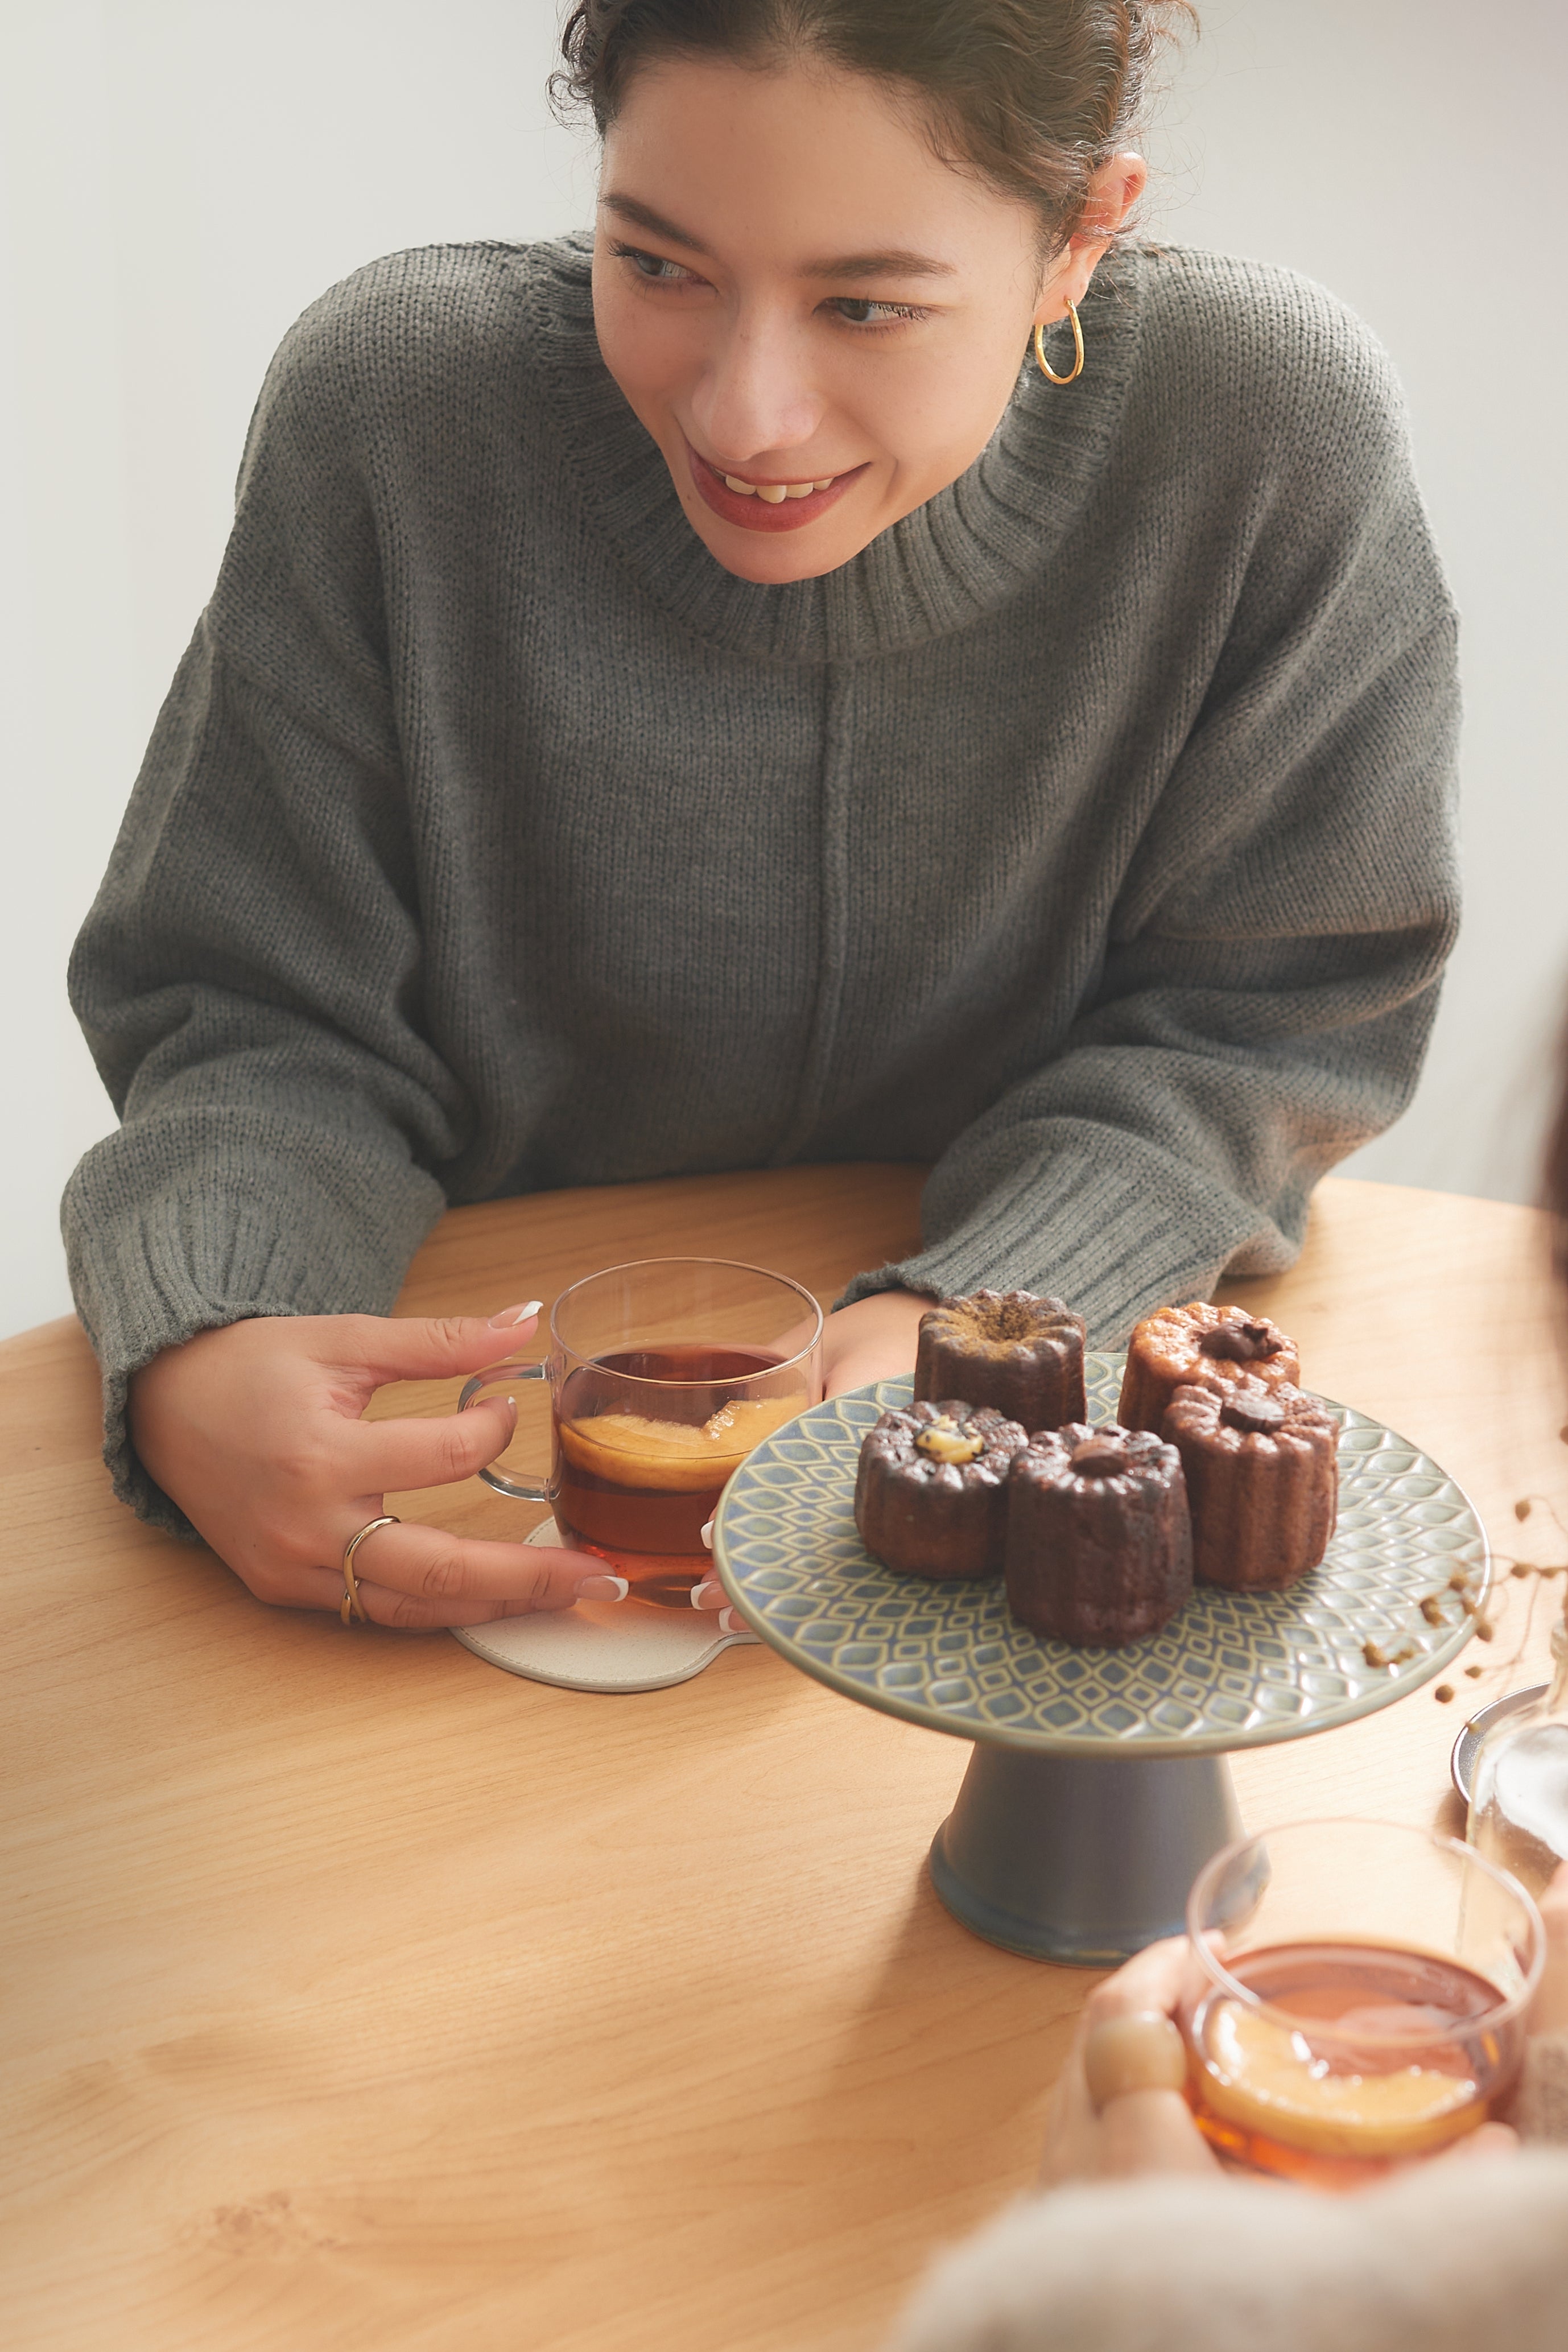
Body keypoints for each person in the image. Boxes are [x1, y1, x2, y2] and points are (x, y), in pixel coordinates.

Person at [63, 0, 1460, 1628]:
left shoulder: (1268, 435)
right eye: (655, 264)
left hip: (1015, 1517)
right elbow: (250, 1013)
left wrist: (983, 1330)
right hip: (491, 1462)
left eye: (864, 304)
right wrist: (212, 1328)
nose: (743, 415)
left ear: (1080, 240)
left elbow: (1269, 1029)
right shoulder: (394, 414)